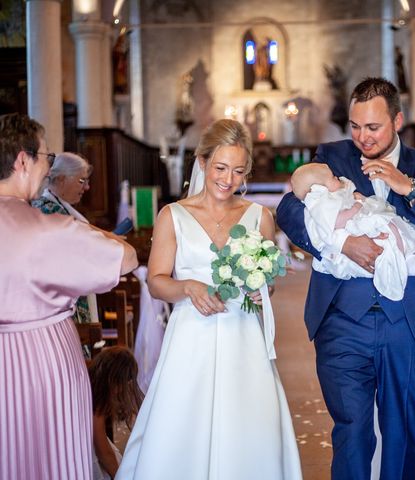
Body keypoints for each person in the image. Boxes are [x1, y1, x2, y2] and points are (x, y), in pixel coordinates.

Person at [277, 77, 415, 479]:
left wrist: (411, 190)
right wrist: (341, 241)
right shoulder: (332, 156)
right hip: (342, 319)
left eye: (372, 127)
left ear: (397, 120)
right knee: (351, 429)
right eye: (354, 126)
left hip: (407, 320)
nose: (361, 137)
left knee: (402, 427)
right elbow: (287, 210)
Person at [116, 119, 302, 479]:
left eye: (237, 170)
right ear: (202, 163)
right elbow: (156, 282)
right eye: (220, 168)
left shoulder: (259, 216)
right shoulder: (173, 215)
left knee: (249, 426)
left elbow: (267, 283)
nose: (228, 179)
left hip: (243, 337)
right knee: (183, 426)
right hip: (191, 337)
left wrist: (261, 291)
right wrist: (188, 287)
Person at [0, 113, 138, 480]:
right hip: (44, 358)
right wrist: (98, 233)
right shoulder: (49, 228)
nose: (47, 168)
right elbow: (126, 259)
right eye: (46, 157)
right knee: (53, 455)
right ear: (22, 160)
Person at [290, 162, 415, 300]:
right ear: (318, 189)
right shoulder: (320, 203)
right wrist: (355, 208)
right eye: (332, 178)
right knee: (384, 239)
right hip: (349, 294)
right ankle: (399, 267)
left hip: (414, 305)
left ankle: (408, 259)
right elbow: (333, 222)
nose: (336, 177)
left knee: (393, 228)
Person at [32, 151, 95, 324]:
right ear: (60, 179)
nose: (86, 187)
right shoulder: (49, 210)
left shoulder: (60, 208)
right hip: (59, 308)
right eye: (81, 181)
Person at [89, 347, 143, 480]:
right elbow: (102, 451)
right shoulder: (98, 398)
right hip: (85, 447)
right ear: (114, 380)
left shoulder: (95, 383)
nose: (121, 391)